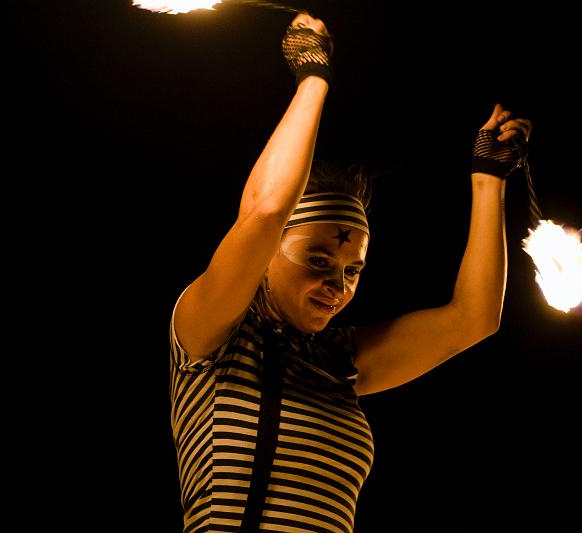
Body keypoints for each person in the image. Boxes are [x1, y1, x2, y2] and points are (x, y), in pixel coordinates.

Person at [169, 12, 532, 533]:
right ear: (267, 252)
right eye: (318, 261)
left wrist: (489, 178)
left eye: (352, 270)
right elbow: (267, 210)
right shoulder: (211, 335)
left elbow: (474, 318)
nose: (337, 286)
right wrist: (313, 76)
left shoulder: (338, 361)